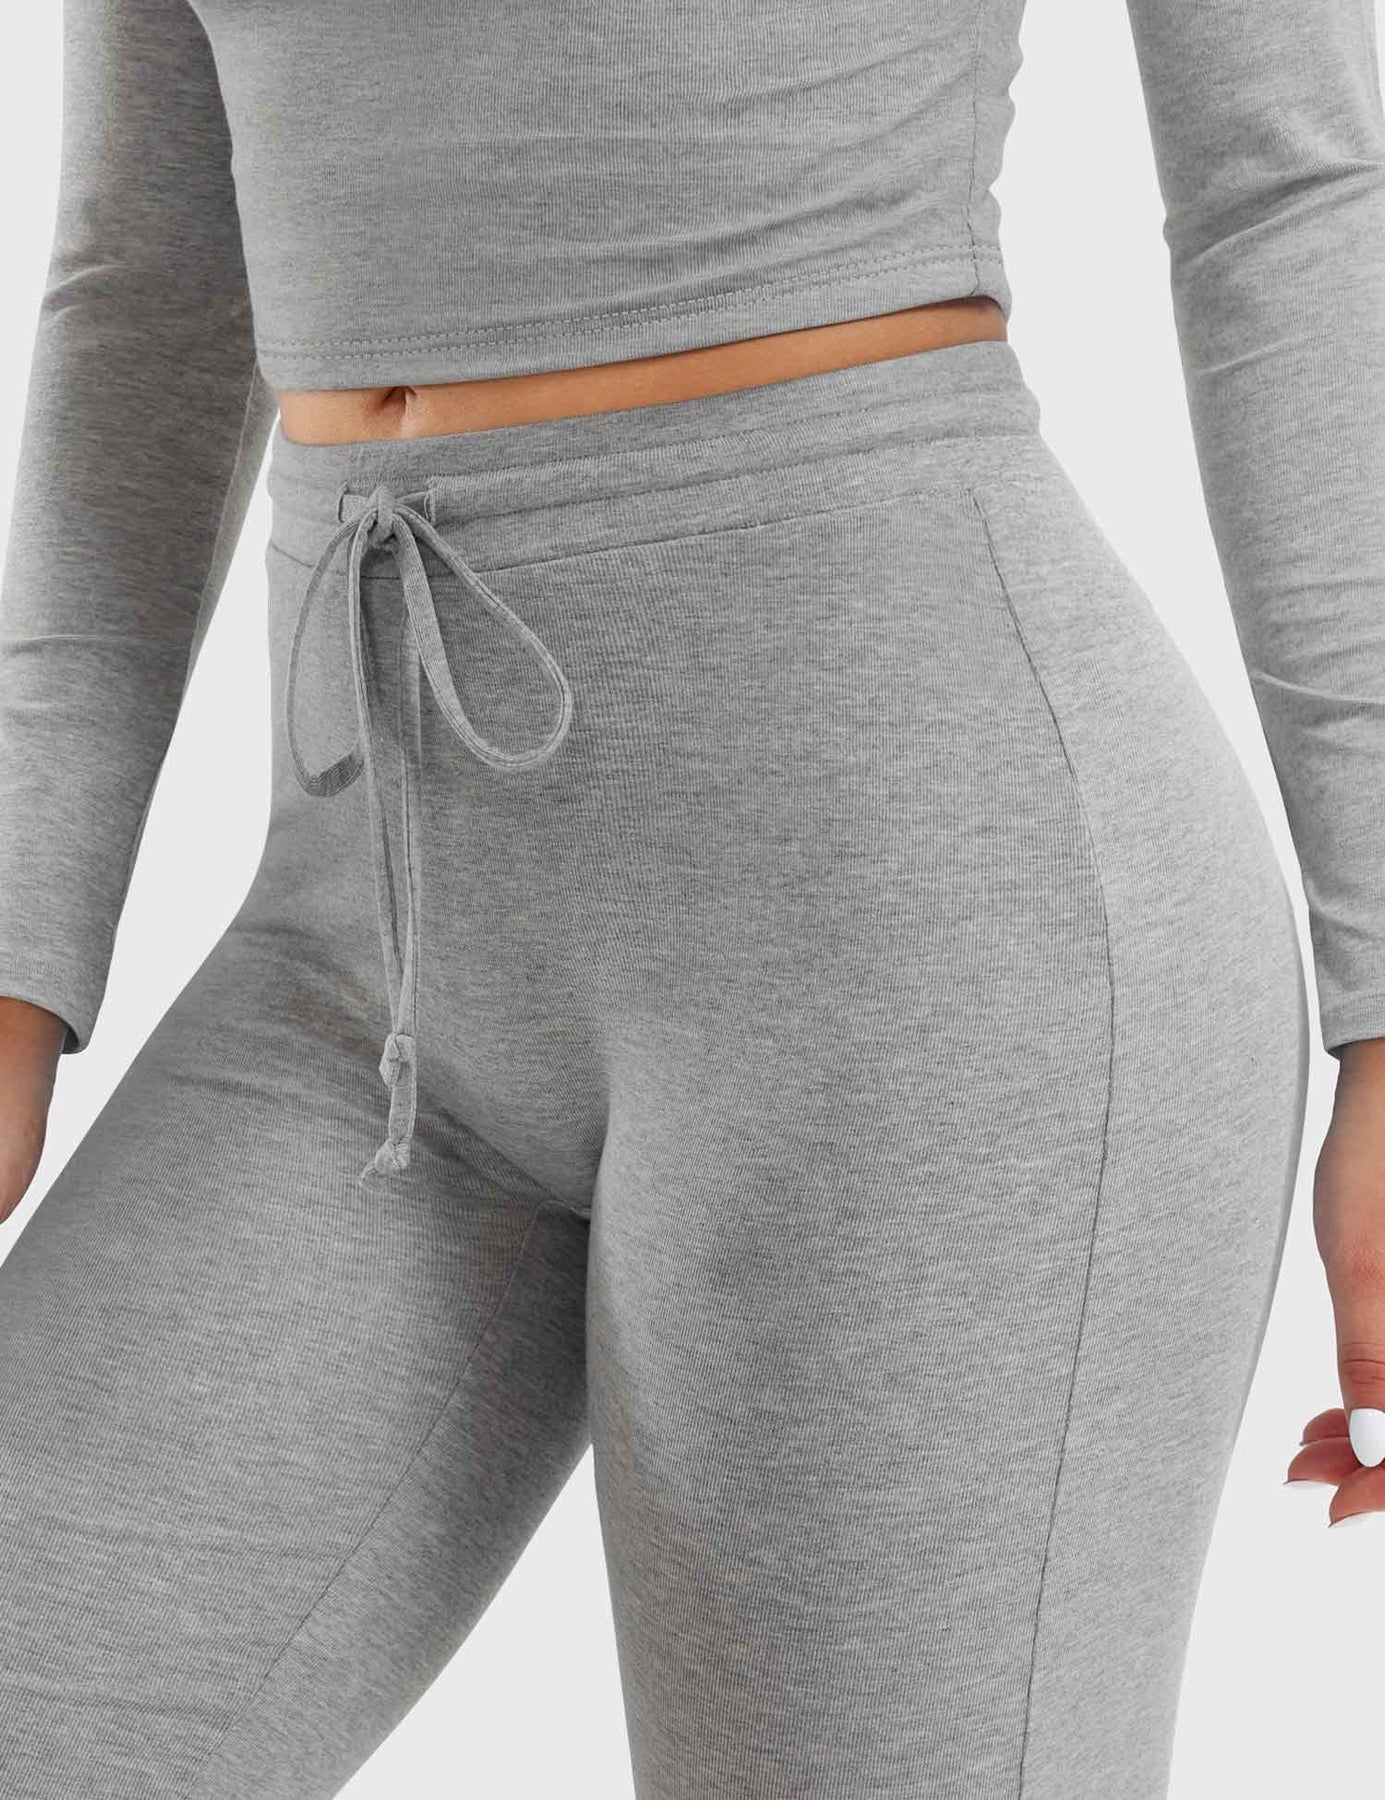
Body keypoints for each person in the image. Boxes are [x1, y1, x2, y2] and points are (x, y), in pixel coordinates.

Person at [0, 0, 1381, 1793]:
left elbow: (1291, 192)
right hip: (361, 955)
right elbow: (149, 285)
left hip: (925, 926)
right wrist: (21, 955)